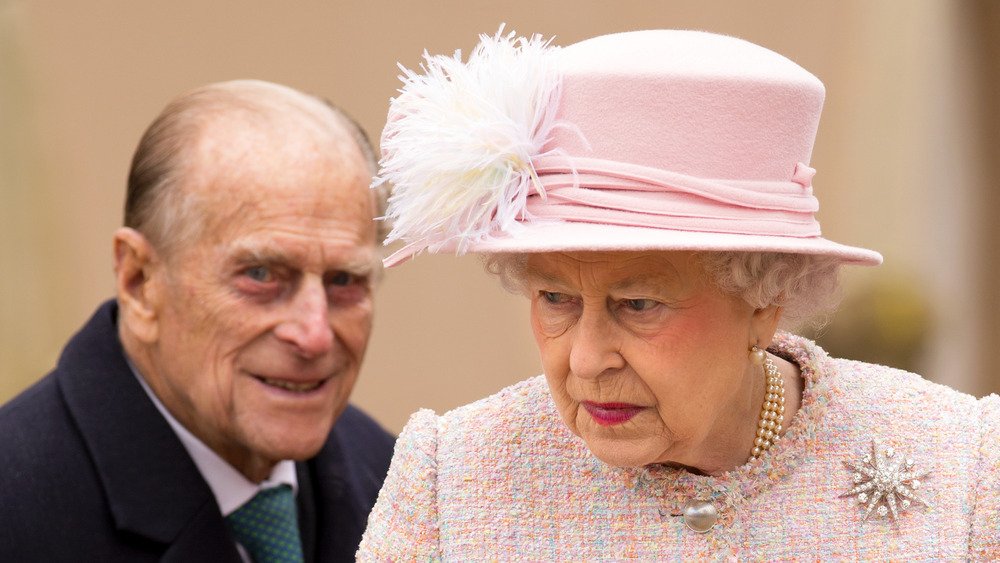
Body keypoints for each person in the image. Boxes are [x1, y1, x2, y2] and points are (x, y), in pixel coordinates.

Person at [356, 30, 1000, 559]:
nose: (584, 360)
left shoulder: (964, 465)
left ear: (764, 300)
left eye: (638, 305)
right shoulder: (453, 476)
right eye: (556, 298)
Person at [0, 80, 395, 562]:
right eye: (261, 274)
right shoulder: (17, 509)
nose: (314, 334)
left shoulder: (397, 486)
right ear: (138, 281)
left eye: (344, 280)